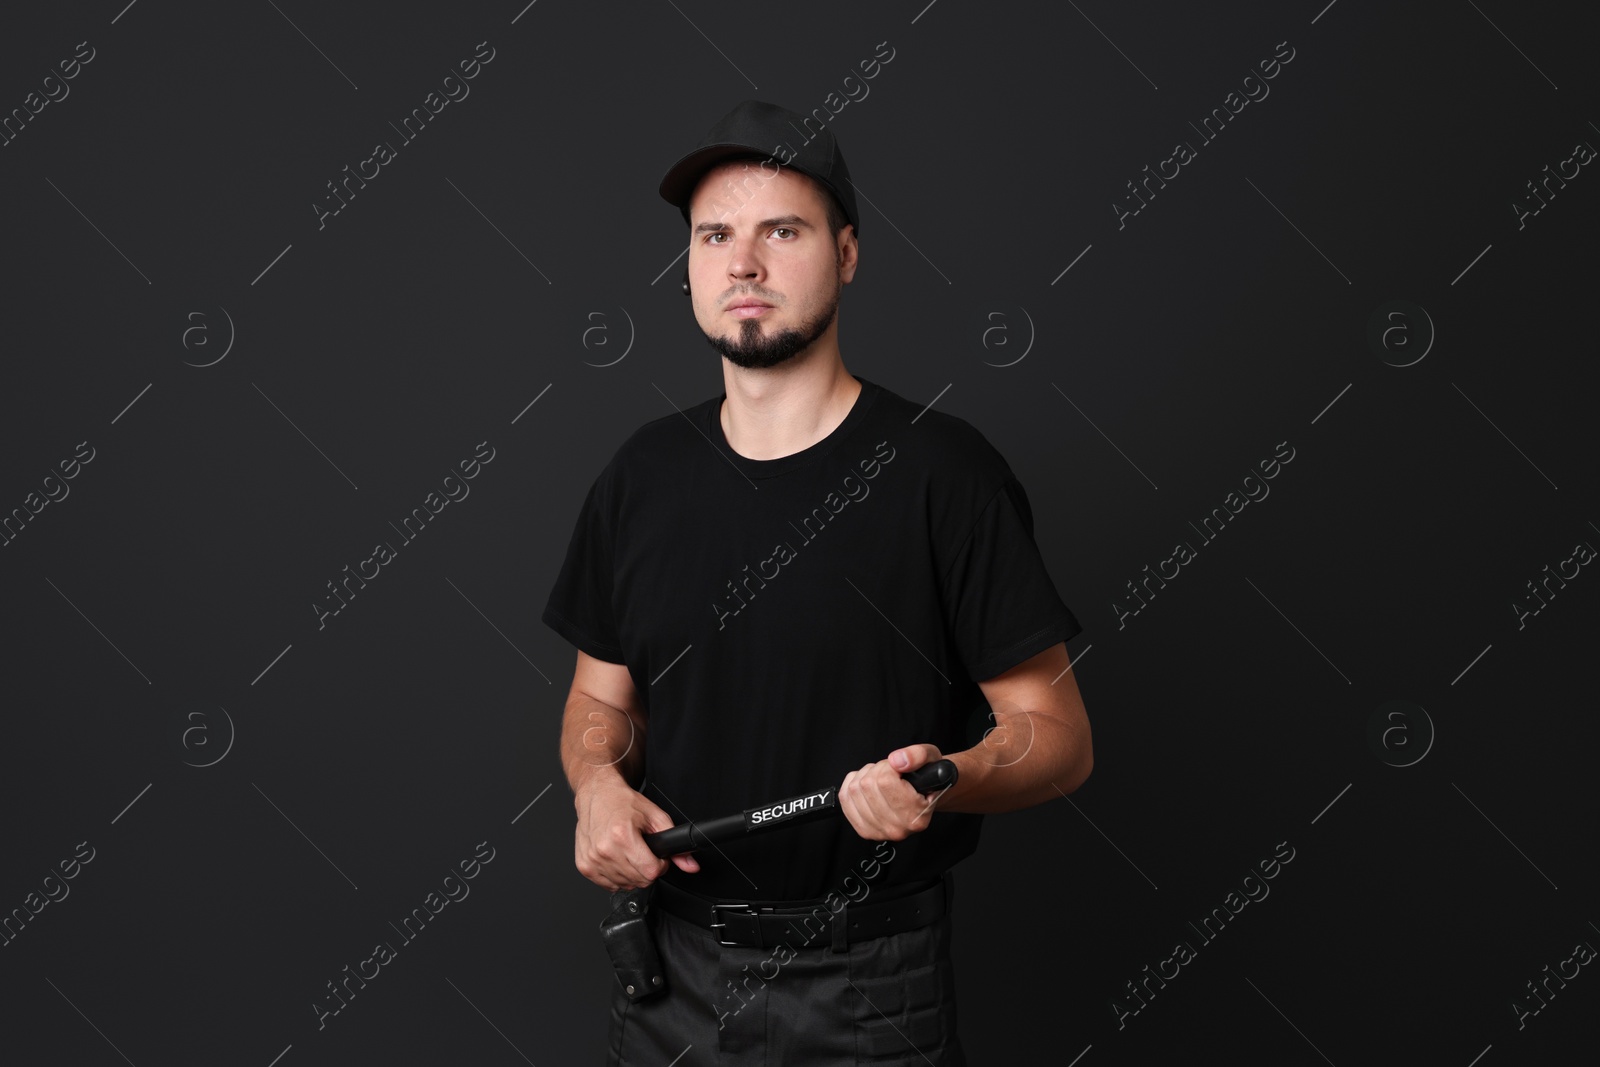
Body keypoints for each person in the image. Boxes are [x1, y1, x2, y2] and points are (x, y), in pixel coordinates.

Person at [542, 99, 1093, 1065]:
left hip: (871, 987)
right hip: (669, 975)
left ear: (845, 254)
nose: (742, 263)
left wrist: (946, 778)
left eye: (780, 231)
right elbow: (601, 697)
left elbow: (1057, 738)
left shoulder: (944, 475)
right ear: (691, 268)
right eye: (715, 235)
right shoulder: (640, 477)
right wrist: (595, 783)